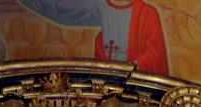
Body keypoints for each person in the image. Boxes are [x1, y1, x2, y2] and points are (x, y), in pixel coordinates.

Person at [18, 0, 168, 75]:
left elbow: (156, 53)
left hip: (135, 83)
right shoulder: (101, 7)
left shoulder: (147, 13)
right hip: (109, 82)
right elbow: (63, 9)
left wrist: (131, 67)